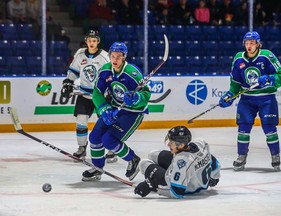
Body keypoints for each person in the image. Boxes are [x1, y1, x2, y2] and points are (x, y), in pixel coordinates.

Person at [81, 41, 151, 181]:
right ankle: (97, 168)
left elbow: (146, 94)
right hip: (114, 108)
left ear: (124, 57)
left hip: (133, 112)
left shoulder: (132, 73)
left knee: (108, 140)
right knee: (94, 137)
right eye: (113, 56)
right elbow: (97, 93)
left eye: (119, 57)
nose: (115, 59)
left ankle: (133, 159)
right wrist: (104, 109)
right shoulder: (105, 70)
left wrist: (136, 97)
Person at [219, 31, 281, 171]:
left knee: (269, 129)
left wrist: (269, 79)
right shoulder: (238, 59)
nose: (249, 46)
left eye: (252, 43)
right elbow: (236, 82)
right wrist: (229, 95)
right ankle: (241, 156)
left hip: (266, 98)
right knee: (243, 129)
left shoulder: (267, 56)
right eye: (247, 43)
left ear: (258, 44)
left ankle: (275, 156)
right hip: (247, 100)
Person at [60, 30, 117, 163]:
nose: (91, 43)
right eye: (89, 40)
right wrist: (68, 82)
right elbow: (73, 71)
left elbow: (111, 75)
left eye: (94, 40)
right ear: (86, 41)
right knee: (81, 122)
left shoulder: (104, 56)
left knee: (106, 122)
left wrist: (111, 89)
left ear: (98, 41)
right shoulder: (80, 54)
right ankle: (81, 148)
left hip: (100, 96)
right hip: (84, 95)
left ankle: (112, 149)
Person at [134, 126, 221, 198]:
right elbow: (213, 162)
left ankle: (160, 177)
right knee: (152, 154)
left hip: (189, 187)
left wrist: (152, 186)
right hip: (194, 174)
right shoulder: (200, 143)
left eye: (171, 142)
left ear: (181, 145)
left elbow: (177, 192)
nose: (168, 144)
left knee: (143, 163)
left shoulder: (182, 161)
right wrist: (214, 177)